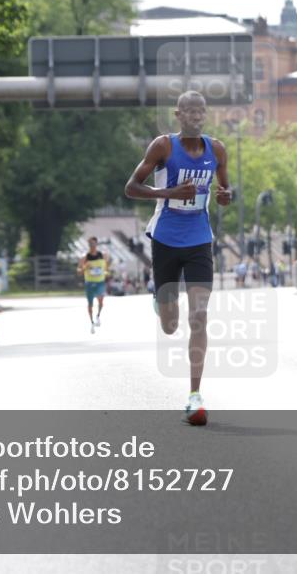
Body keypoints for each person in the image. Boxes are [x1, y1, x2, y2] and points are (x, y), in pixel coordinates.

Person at [124, 90, 232, 426]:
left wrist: (226, 196)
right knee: (170, 326)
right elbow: (131, 187)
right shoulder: (163, 147)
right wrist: (169, 192)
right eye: (191, 112)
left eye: (202, 111)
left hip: (200, 238)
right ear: (178, 115)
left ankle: (194, 394)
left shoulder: (217, 150)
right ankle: (160, 300)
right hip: (166, 238)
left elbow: (225, 191)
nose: (198, 117)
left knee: (199, 315)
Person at [77, 236, 109, 334]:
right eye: (90, 244)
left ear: (96, 244)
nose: (92, 245)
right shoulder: (84, 257)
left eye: (93, 243)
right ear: (88, 245)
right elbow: (78, 271)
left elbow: (106, 267)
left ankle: (98, 316)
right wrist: (84, 268)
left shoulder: (102, 255)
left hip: (100, 282)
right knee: (90, 304)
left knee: (101, 300)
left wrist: (105, 272)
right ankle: (91, 323)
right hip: (89, 283)